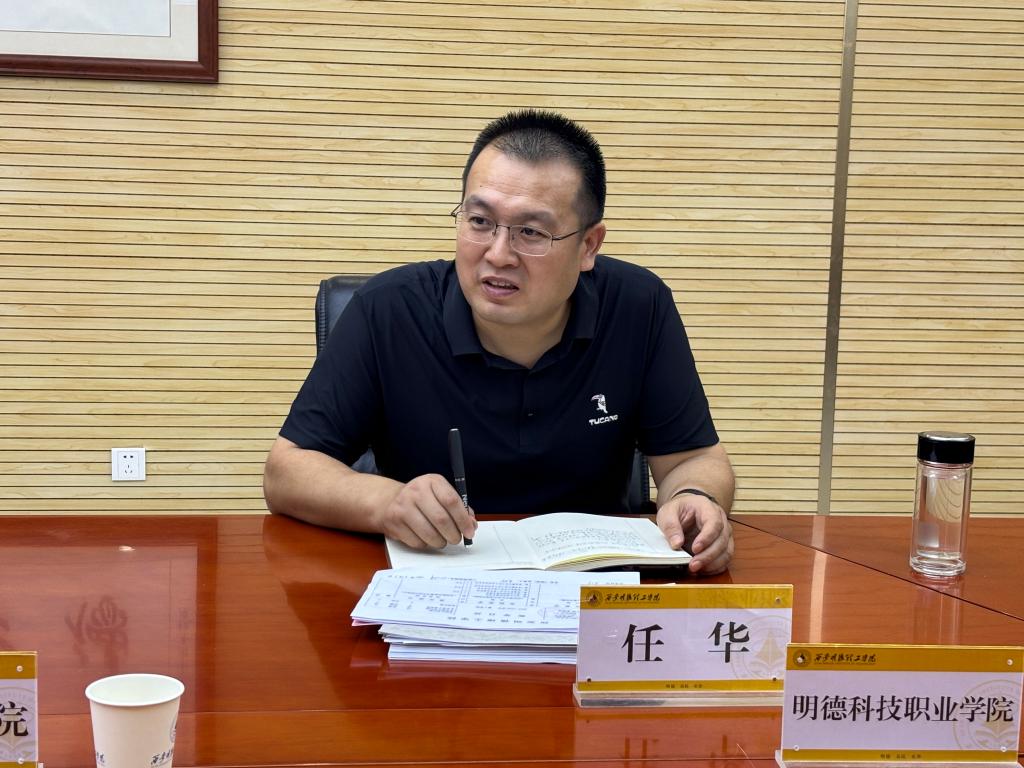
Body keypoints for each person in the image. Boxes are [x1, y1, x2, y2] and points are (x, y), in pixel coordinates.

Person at [264, 109, 736, 574]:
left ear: (588, 246)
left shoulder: (639, 305)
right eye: (479, 221)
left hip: (595, 582)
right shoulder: (387, 309)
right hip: (437, 574)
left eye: (531, 232)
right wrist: (386, 502)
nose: (498, 254)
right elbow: (288, 470)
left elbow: (693, 457)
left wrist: (695, 496)